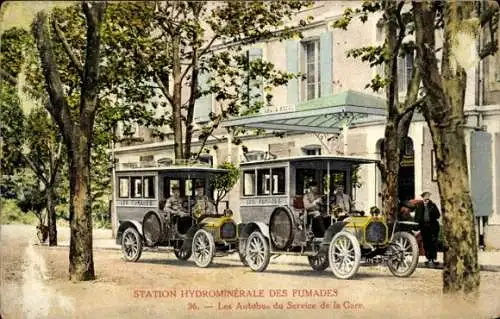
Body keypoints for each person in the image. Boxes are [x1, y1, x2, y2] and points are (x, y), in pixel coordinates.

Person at [414, 191, 441, 267]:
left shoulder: (432, 205)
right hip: (424, 226)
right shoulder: (419, 205)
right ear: (423, 198)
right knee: (426, 243)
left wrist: (432, 210)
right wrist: (416, 226)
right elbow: (417, 216)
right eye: (425, 197)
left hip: (433, 226)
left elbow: (438, 215)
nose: (427, 199)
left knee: (433, 242)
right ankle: (428, 258)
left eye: (428, 197)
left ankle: (433, 258)